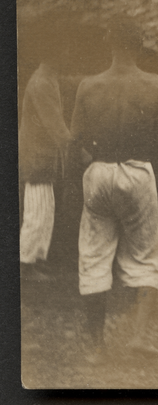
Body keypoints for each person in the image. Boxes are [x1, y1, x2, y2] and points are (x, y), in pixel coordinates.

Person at [70, 15, 158, 359]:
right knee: (147, 255)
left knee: (94, 256)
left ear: (109, 42)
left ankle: (96, 347)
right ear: (140, 45)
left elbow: (75, 139)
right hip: (138, 169)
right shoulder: (156, 84)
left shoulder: (88, 85)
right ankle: (138, 336)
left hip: (98, 170)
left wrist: (94, 163)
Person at [19, 25, 72, 282]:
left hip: (44, 158)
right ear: (53, 53)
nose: (67, 54)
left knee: (45, 211)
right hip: (37, 158)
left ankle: (37, 259)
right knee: (37, 213)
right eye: (64, 50)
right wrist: (77, 150)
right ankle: (25, 264)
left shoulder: (49, 78)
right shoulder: (42, 82)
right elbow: (56, 126)